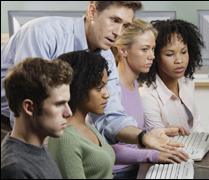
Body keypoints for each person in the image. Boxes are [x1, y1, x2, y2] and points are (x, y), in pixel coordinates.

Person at [1, 1, 183, 151]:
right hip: (11, 121)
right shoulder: (43, 33)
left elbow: (110, 116)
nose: (119, 33)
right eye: (114, 20)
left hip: (53, 124)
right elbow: (26, 106)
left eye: (125, 25)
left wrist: (144, 136)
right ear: (92, 11)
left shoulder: (106, 57)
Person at [110, 18, 190, 179]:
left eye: (153, 49)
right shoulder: (111, 91)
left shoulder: (133, 82)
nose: (152, 56)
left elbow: (131, 134)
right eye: (145, 49)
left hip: (136, 166)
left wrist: (154, 132)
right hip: (118, 173)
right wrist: (152, 155)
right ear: (123, 51)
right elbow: (105, 149)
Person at [1, 57, 73, 179]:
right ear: (29, 108)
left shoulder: (35, 147)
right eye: (59, 104)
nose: (69, 113)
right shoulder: (16, 169)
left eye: (67, 103)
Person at [48, 50, 115, 179]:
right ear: (79, 87)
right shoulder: (66, 138)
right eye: (99, 88)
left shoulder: (85, 125)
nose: (107, 94)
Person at [138, 19, 205, 133]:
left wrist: (203, 144)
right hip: (169, 150)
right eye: (170, 54)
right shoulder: (147, 97)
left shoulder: (186, 82)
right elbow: (159, 141)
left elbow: (195, 123)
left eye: (183, 52)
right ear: (156, 56)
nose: (179, 60)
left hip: (192, 148)